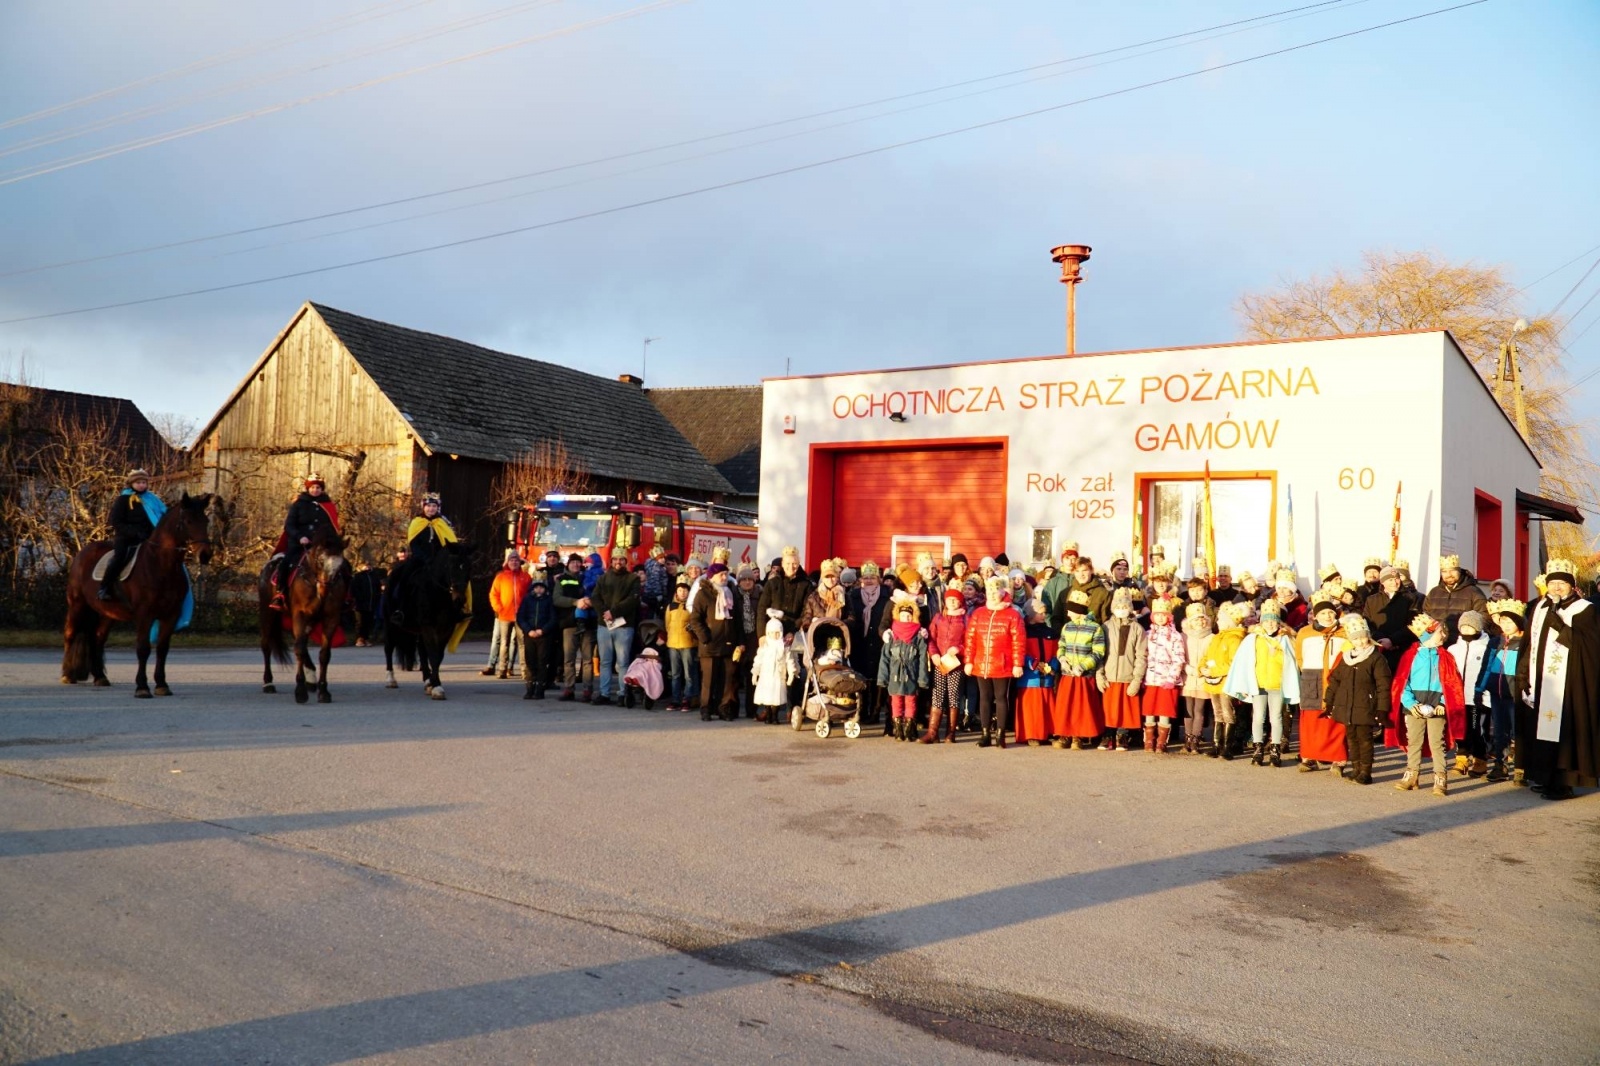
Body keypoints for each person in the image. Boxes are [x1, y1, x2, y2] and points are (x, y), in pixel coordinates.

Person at [1515, 559, 1600, 800]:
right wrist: (1524, 672)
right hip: (1542, 680)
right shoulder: (1541, 607)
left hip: (1570, 684)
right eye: (1553, 584)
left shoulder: (1585, 609)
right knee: (1541, 730)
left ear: (1572, 586)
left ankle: (1564, 782)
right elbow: (1530, 644)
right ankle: (1546, 776)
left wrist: (1560, 626)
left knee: (1563, 732)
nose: (1557, 589)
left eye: (1562, 584)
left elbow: (1589, 647)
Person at [1389, 613, 1464, 797]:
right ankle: (1412, 774)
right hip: (1414, 704)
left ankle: (1440, 777)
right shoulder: (1410, 656)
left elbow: (1453, 683)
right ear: (1427, 635)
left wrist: (1444, 703)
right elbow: (1401, 682)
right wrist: (1410, 703)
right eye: (1439, 632)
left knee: (1436, 742)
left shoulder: (1446, 656)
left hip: (1436, 703)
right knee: (1414, 740)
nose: (1443, 635)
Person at [1226, 599, 1300, 768]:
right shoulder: (1253, 639)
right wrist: (1243, 683)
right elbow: (1243, 661)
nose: (1270, 624)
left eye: (1273, 620)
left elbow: (1292, 660)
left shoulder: (1285, 640)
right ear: (1262, 622)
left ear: (1278, 622)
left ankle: (1275, 748)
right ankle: (1258, 747)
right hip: (1258, 684)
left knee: (1276, 717)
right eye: (1267, 621)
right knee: (1258, 717)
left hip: (1277, 684)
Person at [1323, 613, 1391, 785]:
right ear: (1351, 640)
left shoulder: (1376, 658)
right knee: (1351, 739)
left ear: (1368, 637)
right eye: (1356, 639)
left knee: (1365, 740)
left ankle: (1366, 772)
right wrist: (1329, 702)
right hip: (1347, 706)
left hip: (1365, 705)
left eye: (1363, 638)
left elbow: (1383, 685)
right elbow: (1335, 681)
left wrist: (1382, 709)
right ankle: (1356, 768)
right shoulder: (1346, 658)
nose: (1360, 642)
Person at [963, 576, 1025, 748]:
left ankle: (1000, 733)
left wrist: (1017, 663)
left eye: (995, 591)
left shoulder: (1012, 614)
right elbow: (970, 639)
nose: (992, 595)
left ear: (1002, 592)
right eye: (989, 591)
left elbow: (1018, 641)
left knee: (1001, 698)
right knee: (984, 698)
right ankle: (985, 734)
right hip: (981, 663)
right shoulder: (978, 613)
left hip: (1002, 663)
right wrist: (968, 661)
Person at [1294, 595, 1348, 774]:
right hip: (1312, 677)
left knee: (1335, 720)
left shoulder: (1344, 632)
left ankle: (1338, 759)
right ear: (1315, 615)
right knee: (1311, 720)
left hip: (1336, 678)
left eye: (1330, 612)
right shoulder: (1305, 632)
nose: (1327, 616)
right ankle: (1309, 757)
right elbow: (1299, 657)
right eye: (1323, 613)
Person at [385, 492, 454, 624]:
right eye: (428, 506)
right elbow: (414, 543)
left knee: (455, 578)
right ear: (423, 506)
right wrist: (424, 557)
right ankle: (400, 609)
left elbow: (449, 543)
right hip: (419, 559)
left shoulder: (442, 522)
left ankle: (457, 610)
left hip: (438, 561)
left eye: (434, 506)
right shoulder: (417, 522)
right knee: (404, 576)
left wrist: (440, 558)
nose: (431, 509)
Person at [272, 473, 339, 609]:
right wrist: (299, 537)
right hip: (299, 544)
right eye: (313, 487)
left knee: (341, 565)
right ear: (308, 488)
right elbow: (289, 526)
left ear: (322, 489)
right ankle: (280, 594)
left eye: (318, 488)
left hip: (321, 546)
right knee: (286, 563)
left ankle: (344, 597)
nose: (315, 490)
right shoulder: (298, 505)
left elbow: (332, 526)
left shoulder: (328, 505)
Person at [1053, 589, 1107, 749]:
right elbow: (1061, 645)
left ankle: (1078, 736)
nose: (1068, 613)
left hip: (1083, 674)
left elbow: (1098, 652)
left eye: (1070, 609)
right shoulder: (1067, 627)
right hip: (1068, 673)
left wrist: (1083, 666)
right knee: (1066, 706)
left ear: (1078, 610)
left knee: (1080, 706)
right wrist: (1062, 659)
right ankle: (1065, 734)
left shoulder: (1095, 628)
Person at [1098, 587, 1147, 751]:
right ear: (1113, 608)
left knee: (1125, 709)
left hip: (1128, 676)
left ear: (1130, 608)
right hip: (1110, 675)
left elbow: (1141, 656)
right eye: (1118, 607)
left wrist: (1136, 679)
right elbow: (1099, 652)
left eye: (1125, 607)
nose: (1121, 610)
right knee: (1108, 708)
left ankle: (1122, 735)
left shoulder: (1137, 629)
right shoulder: (1105, 627)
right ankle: (1107, 734)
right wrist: (1100, 675)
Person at [100, 468, 161, 601]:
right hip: (126, 538)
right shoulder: (123, 499)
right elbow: (115, 521)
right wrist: (133, 532)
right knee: (119, 557)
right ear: (131, 483)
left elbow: (160, 516)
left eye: (144, 482)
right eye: (138, 482)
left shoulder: (152, 499)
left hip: (148, 538)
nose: (141, 485)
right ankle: (105, 587)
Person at [590, 547, 641, 706]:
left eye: (621, 559)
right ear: (611, 561)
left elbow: (632, 600)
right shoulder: (603, 578)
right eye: (615, 559)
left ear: (626, 561)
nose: (618, 562)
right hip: (604, 625)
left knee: (623, 662)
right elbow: (595, 598)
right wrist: (605, 612)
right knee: (605, 662)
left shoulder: (633, 579)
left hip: (624, 626)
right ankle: (604, 693)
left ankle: (622, 693)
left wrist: (613, 612)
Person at [688, 562, 739, 721]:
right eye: (721, 575)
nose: (725, 577)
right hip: (709, 644)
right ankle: (706, 708)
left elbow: (736, 618)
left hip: (728, 643)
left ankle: (723, 708)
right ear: (712, 577)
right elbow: (695, 619)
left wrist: (737, 640)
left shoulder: (730, 592)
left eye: (726, 574)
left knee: (726, 679)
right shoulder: (703, 594)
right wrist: (705, 637)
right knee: (709, 680)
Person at [1447, 609, 1495, 778]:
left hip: (1478, 698)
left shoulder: (1485, 648)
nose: (1467, 631)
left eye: (1470, 627)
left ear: (1478, 628)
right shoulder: (1453, 649)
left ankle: (1480, 759)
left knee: (1477, 729)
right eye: (1464, 627)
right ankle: (1461, 758)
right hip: (1458, 698)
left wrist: (1485, 694)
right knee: (1460, 729)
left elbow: (1489, 671)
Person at [878, 592, 931, 741]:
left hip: (912, 674)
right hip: (895, 673)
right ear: (898, 615)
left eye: (909, 616)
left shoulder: (918, 635)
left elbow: (922, 658)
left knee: (911, 701)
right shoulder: (892, 635)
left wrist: (923, 678)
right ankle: (897, 727)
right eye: (903, 615)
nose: (906, 618)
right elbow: (885, 658)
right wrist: (883, 678)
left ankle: (909, 727)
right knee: (895, 701)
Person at [1200, 602, 1249, 760]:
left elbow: (1233, 663)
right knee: (1217, 713)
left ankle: (1227, 746)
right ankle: (1217, 744)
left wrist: (1213, 670)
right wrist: (1202, 668)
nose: (1218, 621)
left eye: (1221, 618)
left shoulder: (1234, 639)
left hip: (1227, 683)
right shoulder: (1216, 638)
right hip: (1213, 682)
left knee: (1228, 713)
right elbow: (1207, 656)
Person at [1482, 598, 1524, 782]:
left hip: (1516, 695)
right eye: (1503, 621)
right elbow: (1486, 666)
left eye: (1510, 621)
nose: (1506, 625)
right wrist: (1479, 688)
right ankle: (1500, 765)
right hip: (1496, 694)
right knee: (1499, 731)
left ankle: (1522, 768)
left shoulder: (1524, 644)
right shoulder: (1494, 642)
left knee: (1518, 731)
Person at [846, 561, 890, 726]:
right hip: (860, 642)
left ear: (878, 579)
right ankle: (862, 709)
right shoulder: (854, 596)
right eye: (866, 577)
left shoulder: (886, 595)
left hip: (879, 642)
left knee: (879, 678)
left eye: (872, 577)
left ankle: (876, 711)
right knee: (861, 676)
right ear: (861, 579)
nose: (869, 580)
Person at [923, 587, 968, 744]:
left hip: (956, 664)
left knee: (953, 697)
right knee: (937, 695)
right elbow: (931, 638)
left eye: (955, 600)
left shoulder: (965, 619)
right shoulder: (938, 618)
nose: (952, 602)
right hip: (940, 662)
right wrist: (934, 653)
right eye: (949, 599)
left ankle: (951, 733)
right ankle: (932, 732)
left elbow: (969, 642)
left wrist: (959, 649)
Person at [1013, 597, 1059, 747]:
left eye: (1044, 612)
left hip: (1046, 676)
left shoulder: (1050, 632)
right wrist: (1031, 663)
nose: (1043, 615)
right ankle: (1031, 733)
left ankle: (1046, 732)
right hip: (1029, 677)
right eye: (1040, 612)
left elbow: (1057, 652)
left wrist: (1053, 666)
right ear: (1031, 614)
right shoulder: (1023, 632)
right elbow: (1019, 651)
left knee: (1046, 706)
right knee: (1031, 708)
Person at [1142, 596, 1185, 754]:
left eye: (1163, 614)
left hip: (1167, 679)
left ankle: (1161, 741)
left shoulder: (1175, 636)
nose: (1160, 618)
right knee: (1149, 710)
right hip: (1150, 679)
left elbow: (1178, 657)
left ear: (1168, 616)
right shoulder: (1148, 634)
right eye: (1157, 615)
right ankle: (1148, 740)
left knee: (1164, 711)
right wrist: (1141, 676)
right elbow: (1143, 656)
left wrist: (1172, 678)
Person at [554, 554, 595, 702]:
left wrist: (589, 602)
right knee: (569, 659)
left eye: (578, 562)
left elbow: (597, 594)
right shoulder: (561, 580)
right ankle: (569, 689)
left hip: (588, 623)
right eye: (573, 562)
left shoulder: (589, 577)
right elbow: (557, 599)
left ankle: (587, 690)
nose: (576, 565)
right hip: (569, 624)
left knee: (587, 659)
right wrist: (575, 602)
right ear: (568, 564)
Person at [483, 551, 531, 678]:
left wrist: (526, 610)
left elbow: (530, 595)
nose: (514, 562)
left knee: (522, 643)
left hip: (521, 616)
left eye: (516, 560)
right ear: (508, 562)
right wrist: (498, 608)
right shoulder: (501, 577)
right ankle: (502, 669)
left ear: (519, 563)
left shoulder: (526, 577)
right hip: (505, 615)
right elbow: (493, 594)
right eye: (511, 560)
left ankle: (524, 670)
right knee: (504, 642)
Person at [1423, 553, 1489, 642]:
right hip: (1438, 643)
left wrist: (1468, 635)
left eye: (1452, 570)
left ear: (1459, 571)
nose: (1448, 574)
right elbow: (1426, 616)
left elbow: (1483, 617)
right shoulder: (1434, 592)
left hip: (1462, 643)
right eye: (1444, 571)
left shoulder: (1474, 592)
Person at [1180, 602, 1215, 754]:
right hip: (1187, 677)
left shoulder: (1212, 637)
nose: (1200, 622)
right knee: (1188, 710)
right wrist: (1186, 668)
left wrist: (1206, 669)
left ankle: (1196, 738)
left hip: (1202, 678)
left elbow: (1213, 657)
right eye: (1196, 619)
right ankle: (1187, 737)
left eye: (1202, 619)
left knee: (1199, 710)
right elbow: (1179, 656)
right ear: (1190, 622)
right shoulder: (1183, 637)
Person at [750, 617, 797, 725]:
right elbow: (758, 660)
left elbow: (789, 661)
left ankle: (775, 716)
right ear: (768, 633)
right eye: (771, 633)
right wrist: (755, 673)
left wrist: (791, 674)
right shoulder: (764, 646)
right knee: (767, 696)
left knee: (777, 697)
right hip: (766, 676)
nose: (774, 636)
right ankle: (768, 715)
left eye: (777, 633)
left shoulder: (784, 646)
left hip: (778, 676)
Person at [515, 576, 555, 699]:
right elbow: (521, 617)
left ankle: (540, 688)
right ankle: (530, 686)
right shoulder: (527, 600)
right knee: (530, 661)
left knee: (542, 661)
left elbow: (553, 618)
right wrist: (528, 630)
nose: (539, 590)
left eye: (541, 587)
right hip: (530, 634)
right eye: (536, 587)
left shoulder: (548, 600)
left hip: (543, 635)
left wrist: (543, 630)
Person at [732, 565, 763, 717]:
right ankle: (734, 709)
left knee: (753, 676)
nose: (747, 582)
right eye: (743, 579)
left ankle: (751, 710)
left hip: (754, 638)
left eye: (749, 579)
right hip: (738, 637)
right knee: (735, 676)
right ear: (738, 581)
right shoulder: (733, 594)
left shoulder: (760, 593)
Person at [664, 578, 696, 712]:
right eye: (680, 590)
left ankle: (687, 699)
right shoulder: (671, 606)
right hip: (672, 644)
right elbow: (667, 624)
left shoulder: (691, 607)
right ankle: (675, 699)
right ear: (676, 592)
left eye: (685, 590)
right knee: (675, 674)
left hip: (688, 643)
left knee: (688, 674)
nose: (682, 593)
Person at [1051, 556, 1109, 629]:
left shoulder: (1103, 594)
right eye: (1077, 571)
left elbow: (1106, 622)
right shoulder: (1065, 593)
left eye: (1084, 570)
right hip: (1069, 638)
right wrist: (1063, 634)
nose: (1081, 574)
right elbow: (1056, 618)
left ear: (1091, 570)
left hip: (1092, 638)